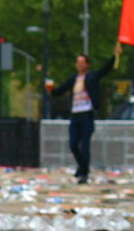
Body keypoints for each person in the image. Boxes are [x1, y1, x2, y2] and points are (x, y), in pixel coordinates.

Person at [49, 45, 121, 184]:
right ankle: (82, 168)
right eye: (78, 62)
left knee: (85, 144)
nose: (79, 65)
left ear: (87, 64)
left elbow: (105, 70)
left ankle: (83, 173)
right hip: (75, 115)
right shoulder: (73, 79)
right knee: (73, 144)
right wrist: (50, 89)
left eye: (82, 62)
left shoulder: (92, 77)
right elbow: (60, 90)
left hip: (87, 115)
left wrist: (115, 56)